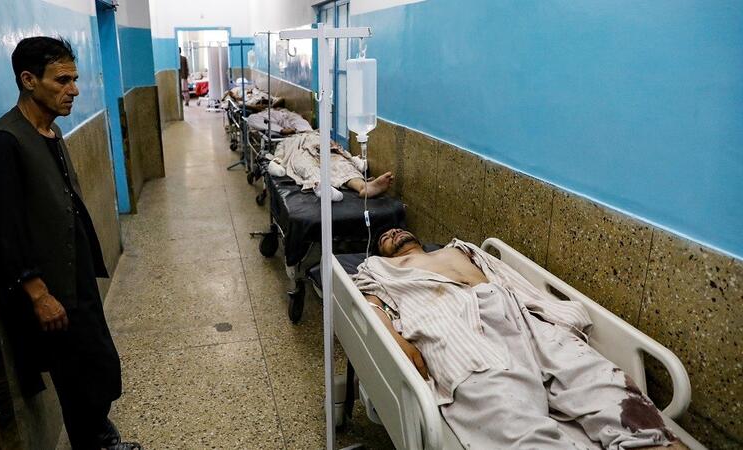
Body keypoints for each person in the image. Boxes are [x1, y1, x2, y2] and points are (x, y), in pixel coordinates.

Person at [353, 228, 688, 450]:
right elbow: (371, 304)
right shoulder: (378, 268)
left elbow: (509, 281)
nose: (393, 233)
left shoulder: (460, 249)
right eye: (385, 237)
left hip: (523, 318)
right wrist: (397, 341)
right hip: (457, 329)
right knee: (512, 418)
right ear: (382, 251)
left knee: (602, 385)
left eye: (396, 230)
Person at [0, 37, 141, 450]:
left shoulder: (50, 131)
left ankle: (101, 435)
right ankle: (97, 442)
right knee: (76, 374)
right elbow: (4, 230)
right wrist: (38, 294)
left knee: (97, 363)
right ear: (28, 80)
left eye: (74, 79)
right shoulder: (3, 142)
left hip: (74, 275)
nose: (74, 90)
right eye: (62, 80)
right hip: (48, 289)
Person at [268, 131, 394, 200]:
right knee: (307, 167)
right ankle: (324, 188)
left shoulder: (317, 133)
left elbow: (338, 147)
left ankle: (364, 186)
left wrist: (351, 159)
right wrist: (277, 162)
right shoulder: (287, 141)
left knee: (342, 164)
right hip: (299, 152)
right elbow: (279, 155)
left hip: (325, 149)